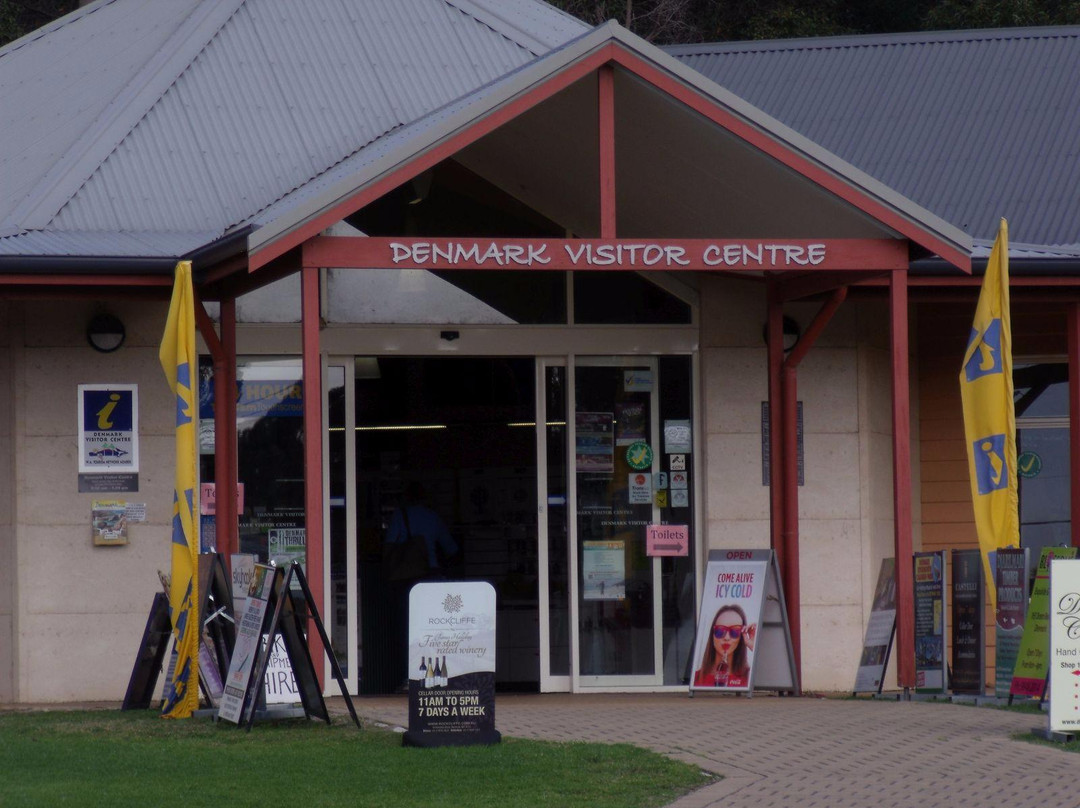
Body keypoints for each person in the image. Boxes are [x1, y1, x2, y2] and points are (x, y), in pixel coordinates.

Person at [385, 482, 459, 580]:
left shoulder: (399, 515)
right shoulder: (433, 517)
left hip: (406, 571)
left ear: (406, 497)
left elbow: (389, 544)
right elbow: (450, 548)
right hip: (430, 570)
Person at [693, 604, 757, 687]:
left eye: (734, 632)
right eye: (720, 631)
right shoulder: (696, 679)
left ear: (741, 636)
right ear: (712, 634)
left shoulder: (750, 677)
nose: (726, 637)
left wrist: (753, 646)